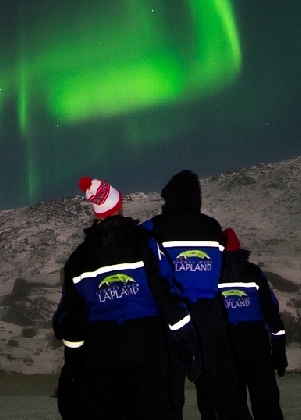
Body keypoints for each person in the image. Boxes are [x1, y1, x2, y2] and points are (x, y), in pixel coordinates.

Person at [52, 175, 200, 420]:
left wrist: (73, 363)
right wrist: (188, 339)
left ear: (97, 213)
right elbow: (166, 293)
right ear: (119, 207)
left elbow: (73, 316)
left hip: (101, 347)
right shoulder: (144, 242)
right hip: (145, 342)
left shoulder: (78, 258)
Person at [142, 170, 251, 420]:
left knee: (167, 393)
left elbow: (144, 266)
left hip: (170, 316)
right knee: (225, 391)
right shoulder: (212, 228)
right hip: (209, 316)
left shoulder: (153, 228)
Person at [197, 227, 286, 420]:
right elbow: (271, 309)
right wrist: (279, 348)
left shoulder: (210, 274)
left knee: (228, 404)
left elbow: (202, 312)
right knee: (266, 401)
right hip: (256, 343)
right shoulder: (253, 272)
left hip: (224, 343)